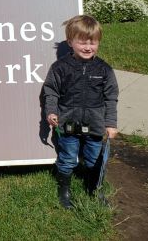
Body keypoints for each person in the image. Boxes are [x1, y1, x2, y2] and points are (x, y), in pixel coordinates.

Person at [43, 14, 119, 209]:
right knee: (68, 158)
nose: (88, 47)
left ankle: (95, 188)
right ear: (70, 42)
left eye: (93, 43)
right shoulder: (60, 68)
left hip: (95, 125)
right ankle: (64, 189)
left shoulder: (104, 70)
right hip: (68, 123)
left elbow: (111, 97)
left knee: (94, 158)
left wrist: (110, 123)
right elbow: (50, 91)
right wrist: (51, 112)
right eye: (82, 42)